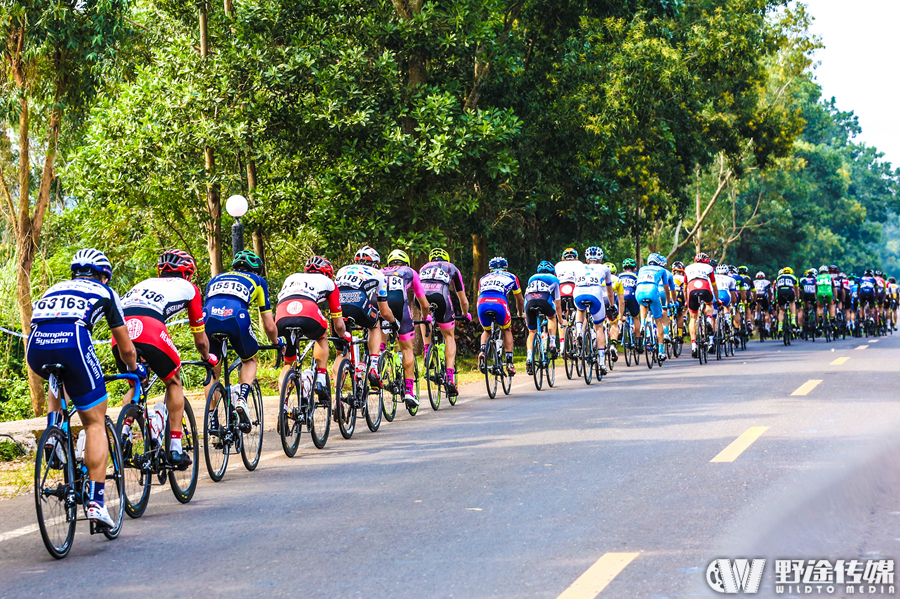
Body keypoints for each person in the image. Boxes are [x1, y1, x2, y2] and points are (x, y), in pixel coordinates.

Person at [28, 249, 146, 529]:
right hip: (74, 342)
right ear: (104, 276)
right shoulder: (104, 292)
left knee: (57, 377)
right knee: (94, 421)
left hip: (36, 348)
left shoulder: (53, 289)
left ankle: (54, 435)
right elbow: (126, 346)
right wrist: (133, 368)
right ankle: (96, 501)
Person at [112, 249, 211, 471]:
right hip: (150, 330)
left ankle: (124, 434)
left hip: (120, 333)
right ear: (188, 273)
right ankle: (175, 447)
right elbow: (200, 339)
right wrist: (208, 357)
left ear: (160, 271)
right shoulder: (190, 288)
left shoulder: (143, 283)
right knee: (173, 380)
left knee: (136, 382)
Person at [204, 250, 282, 427]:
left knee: (212, 371)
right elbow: (269, 325)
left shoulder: (215, 279)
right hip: (236, 317)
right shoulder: (258, 281)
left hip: (208, 318)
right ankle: (242, 399)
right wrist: (276, 342)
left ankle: (212, 422)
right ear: (257, 271)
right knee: (250, 359)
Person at [275, 256, 347, 399]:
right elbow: (338, 322)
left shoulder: (292, 277)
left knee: (288, 363)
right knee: (321, 334)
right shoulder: (329, 283)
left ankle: (283, 406)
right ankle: (320, 378)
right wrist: (343, 336)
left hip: (282, 314)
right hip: (307, 310)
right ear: (328, 273)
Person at [335, 246, 397, 386]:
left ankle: (337, 397)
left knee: (341, 353)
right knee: (374, 324)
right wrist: (394, 322)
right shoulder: (378, 273)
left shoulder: (342, 269)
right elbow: (385, 311)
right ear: (375, 263)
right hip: (358, 301)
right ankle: (374, 366)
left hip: (338, 306)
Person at [383, 249, 431, 407]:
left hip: (381, 308)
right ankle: (409, 391)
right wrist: (425, 319)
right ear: (406, 262)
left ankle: (378, 367)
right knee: (407, 349)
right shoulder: (410, 272)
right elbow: (423, 303)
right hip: (400, 308)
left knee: (379, 344)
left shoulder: (380, 272)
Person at [419, 248, 470, 397]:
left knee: (425, 317)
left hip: (422, 298)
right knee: (449, 336)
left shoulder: (423, 268)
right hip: (441, 298)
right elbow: (463, 299)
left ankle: (427, 349)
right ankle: (450, 377)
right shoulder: (452, 268)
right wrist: (466, 314)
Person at [477, 257, 525, 375]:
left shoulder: (483, 278)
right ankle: (509, 363)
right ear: (506, 268)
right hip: (499, 303)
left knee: (486, 331)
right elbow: (519, 300)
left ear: (490, 269)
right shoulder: (511, 277)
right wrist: (520, 313)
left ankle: (483, 351)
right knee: (506, 329)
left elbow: (479, 295)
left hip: (482, 303)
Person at [574, 246, 614, 375]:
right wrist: (612, 305)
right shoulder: (605, 268)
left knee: (580, 310)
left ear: (586, 258)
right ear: (601, 258)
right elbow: (609, 291)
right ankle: (601, 362)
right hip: (595, 293)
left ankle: (579, 331)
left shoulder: (579, 266)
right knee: (599, 328)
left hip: (579, 293)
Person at [524, 261, 563, 375]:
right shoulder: (554, 279)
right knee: (551, 317)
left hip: (529, 301)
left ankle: (529, 357)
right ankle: (552, 344)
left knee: (532, 331)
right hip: (544, 299)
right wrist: (560, 319)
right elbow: (558, 303)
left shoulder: (532, 277)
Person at [635, 253, 675, 363]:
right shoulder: (662, 270)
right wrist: (667, 302)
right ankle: (661, 351)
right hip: (653, 291)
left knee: (643, 305)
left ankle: (643, 324)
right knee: (658, 321)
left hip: (639, 292)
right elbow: (667, 290)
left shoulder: (642, 268)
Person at [685, 252, 720, 357]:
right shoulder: (709, 268)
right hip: (705, 289)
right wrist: (717, 299)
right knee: (709, 304)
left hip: (691, 290)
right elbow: (714, 285)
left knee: (693, 318)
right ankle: (709, 319)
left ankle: (693, 346)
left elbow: (684, 287)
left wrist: (686, 300)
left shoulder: (687, 268)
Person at [554, 248, 584, 353]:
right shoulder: (580, 264)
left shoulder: (557, 265)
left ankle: (562, 345)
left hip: (561, 290)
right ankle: (579, 334)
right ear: (576, 257)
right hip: (574, 289)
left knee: (561, 317)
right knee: (581, 311)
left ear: (563, 257)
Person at [617, 258, 641, 351]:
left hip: (620, 297)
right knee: (635, 318)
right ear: (634, 268)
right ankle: (638, 342)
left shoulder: (619, 275)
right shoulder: (637, 275)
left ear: (624, 269)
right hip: (631, 295)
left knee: (621, 316)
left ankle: (620, 328)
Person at [604, 262, 623, 361]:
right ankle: (613, 344)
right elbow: (621, 301)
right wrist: (621, 315)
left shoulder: (598, 276)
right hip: (609, 302)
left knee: (598, 325)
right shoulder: (617, 279)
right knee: (614, 325)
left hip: (598, 301)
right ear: (614, 272)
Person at [774, 267, 799, 336]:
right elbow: (796, 289)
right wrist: (797, 298)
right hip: (789, 291)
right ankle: (793, 319)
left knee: (781, 310)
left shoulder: (778, 277)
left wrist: (776, 299)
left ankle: (780, 327)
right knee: (792, 302)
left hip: (780, 292)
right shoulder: (793, 277)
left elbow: (776, 288)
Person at [752, 271, 773, 336]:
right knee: (766, 311)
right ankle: (767, 327)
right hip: (764, 296)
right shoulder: (767, 282)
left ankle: (756, 315)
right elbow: (769, 292)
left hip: (756, 295)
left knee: (756, 303)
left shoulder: (754, 282)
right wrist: (770, 300)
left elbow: (752, 291)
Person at [671, 261, 687, 338]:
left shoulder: (670, 276)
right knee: (680, 314)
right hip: (678, 295)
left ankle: (668, 332)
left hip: (669, 295)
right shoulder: (683, 278)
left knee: (667, 313)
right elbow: (685, 289)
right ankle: (680, 335)